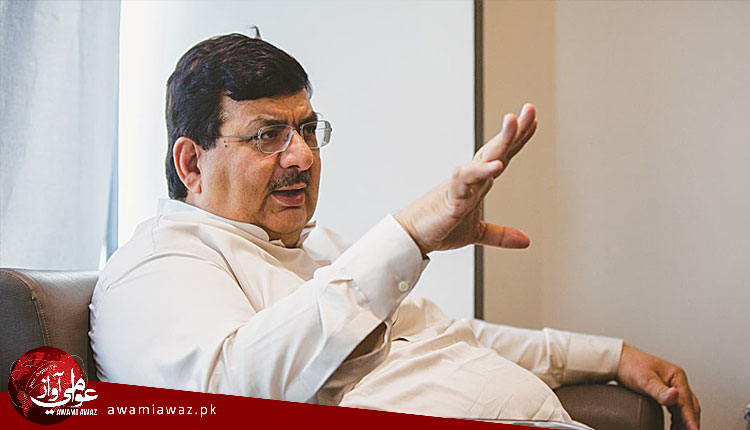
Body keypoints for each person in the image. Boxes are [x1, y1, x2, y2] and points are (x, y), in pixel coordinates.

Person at [89, 33, 700, 429]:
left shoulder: (318, 250)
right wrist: (409, 235)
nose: (301, 156)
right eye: (268, 134)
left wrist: (611, 356)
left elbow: (450, 336)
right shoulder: (156, 266)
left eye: (307, 129)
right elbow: (227, 399)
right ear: (192, 164)